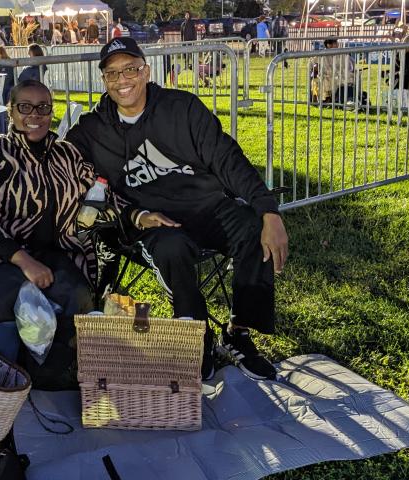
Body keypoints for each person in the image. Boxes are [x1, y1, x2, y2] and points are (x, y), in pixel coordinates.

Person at [65, 37, 289, 382]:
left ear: (147, 71)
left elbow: (226, 158)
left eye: (131, 70)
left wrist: (268, 211)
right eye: (112, 74)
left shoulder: (182, 108)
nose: (123, 80)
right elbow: (51, 157)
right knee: (172, 247)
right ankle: (196, 337)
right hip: (152, 220)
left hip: (206, 206)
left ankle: (238, 333)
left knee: (250, 227)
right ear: (104, 80)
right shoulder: (93, 130)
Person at [0, 79, 96, 387]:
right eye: (25, 107)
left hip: (51, 251)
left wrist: (139, 215)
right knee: (5, 293)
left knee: (77, 292)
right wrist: (23, 260)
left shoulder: (66, 154)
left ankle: (56, 375)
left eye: (43, 107)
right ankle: (5, 380)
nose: (35, 115)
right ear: (11, 113)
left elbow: (96, 191)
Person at [310, 37, 357, 105]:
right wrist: (317, 67)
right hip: (327, 76)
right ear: (329, 45)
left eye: (336, 43)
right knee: (328, 80)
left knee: (348, 78)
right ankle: (330, 98)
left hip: (341, 76)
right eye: (335, 43)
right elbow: (314, 65)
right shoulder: (321, 55)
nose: (337, 45)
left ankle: (348, 98)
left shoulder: (342, 54)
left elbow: (351, 65)